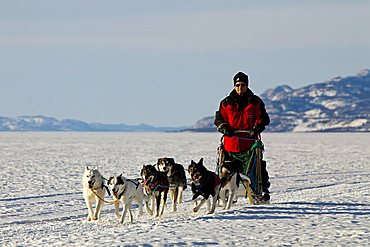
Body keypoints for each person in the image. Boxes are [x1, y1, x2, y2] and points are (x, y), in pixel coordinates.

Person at [214, 71, 271, 202]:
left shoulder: (255, 102)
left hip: (249, 143)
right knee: (224, 166)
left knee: (258, 165)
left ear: (247, 86)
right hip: (231, 142)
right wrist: (224, 127)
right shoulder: (226, 102)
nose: (240, 88)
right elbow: (219, 118)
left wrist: (256, 128)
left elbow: (263, 118)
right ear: (234, 86)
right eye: (238, 85)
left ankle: (260, 189)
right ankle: (222, 190)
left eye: (243, 85)